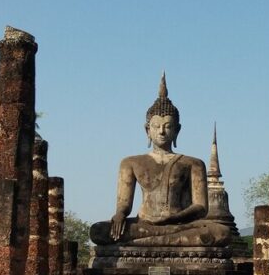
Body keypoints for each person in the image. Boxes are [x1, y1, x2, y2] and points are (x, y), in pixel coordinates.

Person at [89, 75, 232, 247]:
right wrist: (119, 215)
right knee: (98, 231)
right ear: (147, 130)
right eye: (156, 126)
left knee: (220, 233)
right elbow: (124, 205)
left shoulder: (193, 163)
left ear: (177, 130)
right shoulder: (130, 163)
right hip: (144, 225)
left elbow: (201, 207)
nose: (162, 132)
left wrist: (174, 217)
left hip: (180, 225)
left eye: (168, 126)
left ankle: (149, 242)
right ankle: (159, 241)